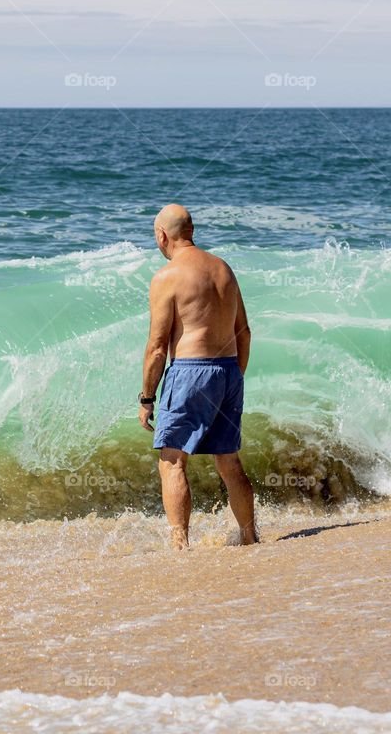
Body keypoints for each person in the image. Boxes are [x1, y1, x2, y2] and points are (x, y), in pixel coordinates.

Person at [138, 204, 256, 550]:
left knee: (172, 460)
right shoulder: (223, 269)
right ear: (191, 230)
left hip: (190, 371)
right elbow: (244, 332)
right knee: (229, 461)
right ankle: (249, 537)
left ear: (162, 235)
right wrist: (233, 378)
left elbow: (158, 347)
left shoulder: (167, 277)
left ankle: (180, 544)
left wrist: (147, 398)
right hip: (229, 370)